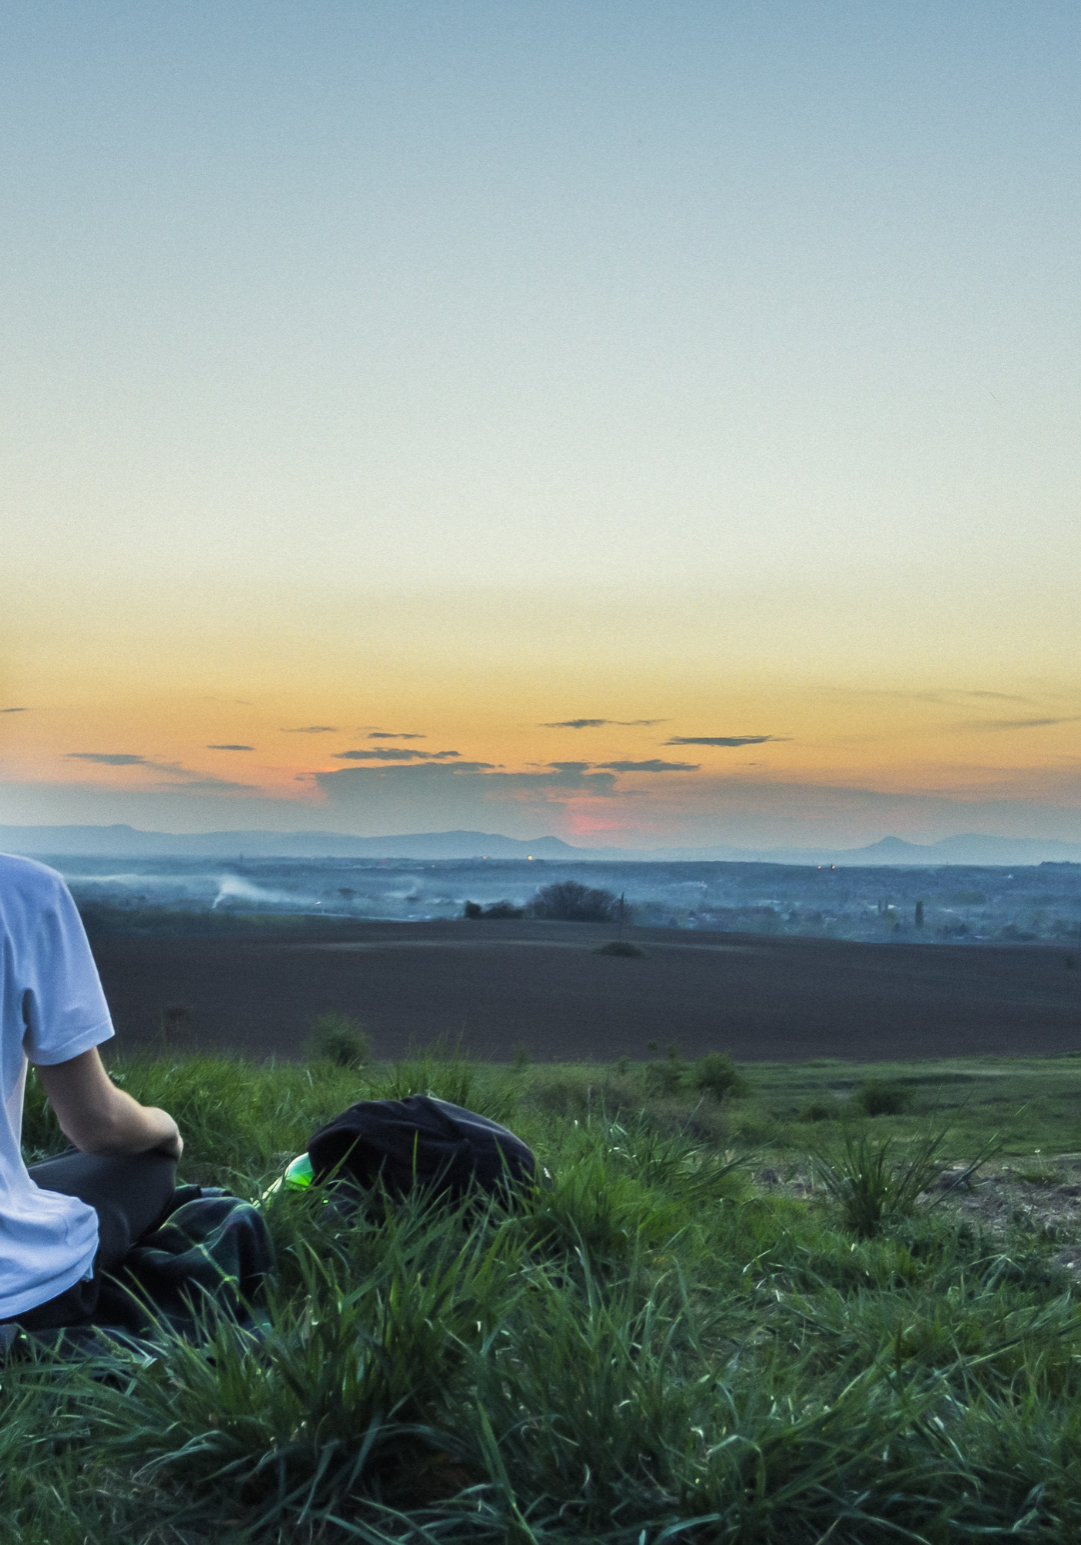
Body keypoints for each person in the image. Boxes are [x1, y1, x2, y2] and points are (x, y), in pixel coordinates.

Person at [0, 852, 182, 1332]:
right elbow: (98, 1125)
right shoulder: (23, 890)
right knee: (145, 1159)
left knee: (41, 1177)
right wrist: (166, 1127)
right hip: (12, 1288)